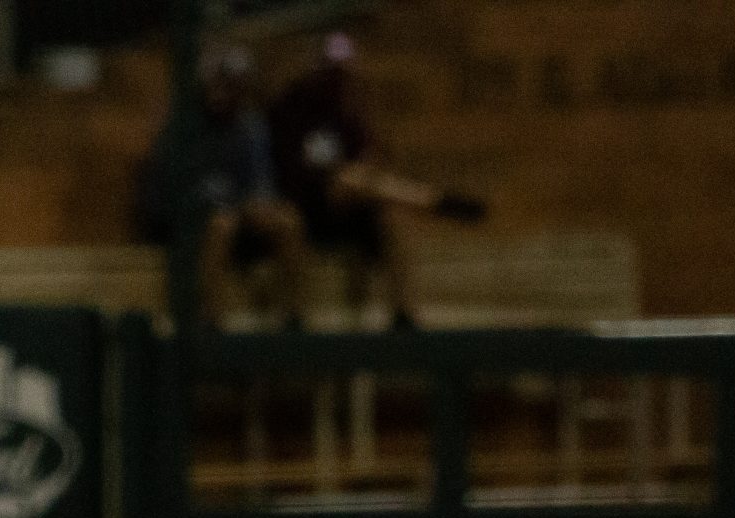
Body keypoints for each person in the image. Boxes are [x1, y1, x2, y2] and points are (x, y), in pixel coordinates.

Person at [267, 32, 487, 328]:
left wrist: (356, 177)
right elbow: (290, 170)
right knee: (348, 183)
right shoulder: (291, 108)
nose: (337, 79)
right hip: (308, 208)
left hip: (349, 209)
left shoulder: (349, 114)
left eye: (343, 72)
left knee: (389, 217)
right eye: (332, 71)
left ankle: (403, 315)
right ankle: (434, 200)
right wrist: (333, 181)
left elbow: (366, 161)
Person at [135, 46, 308, 325]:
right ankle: (211, 319)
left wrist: (258, 204)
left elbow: (261, 184)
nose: (224, 91)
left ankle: (293, 316)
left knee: (288, 221)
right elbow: (167, 194)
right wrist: (220, 206)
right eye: (220, 82)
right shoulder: (183, 126)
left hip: (240, 216)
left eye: (233, 84)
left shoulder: (250, 126)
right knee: (221, 224)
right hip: (191, 221)